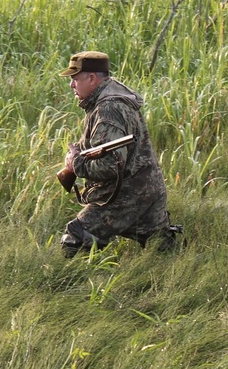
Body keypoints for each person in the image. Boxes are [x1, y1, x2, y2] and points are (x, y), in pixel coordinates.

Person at [58, 51, 177, 257]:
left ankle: (76, 283)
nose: (72, 85)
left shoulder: (108, 108)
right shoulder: (113, 98)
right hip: (148, 188)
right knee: (160, 247)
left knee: (75, 238)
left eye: (75, 79)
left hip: (126, 194)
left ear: (92, 78)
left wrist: (75, 163)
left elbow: (111, 166)